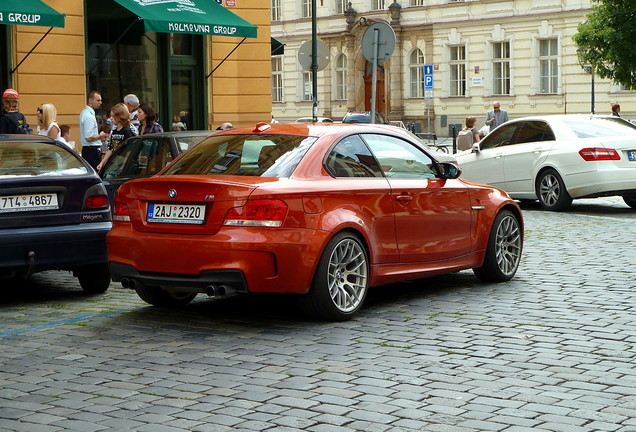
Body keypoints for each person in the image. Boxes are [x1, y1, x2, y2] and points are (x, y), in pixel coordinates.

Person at [97, 103, 136, 171]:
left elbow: (129, 149)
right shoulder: (114, 131)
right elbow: (111, 149)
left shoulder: (126, 131)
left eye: (113, 116)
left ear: (119, 116)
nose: (111, 118)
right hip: (115, 161)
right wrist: (102, 163)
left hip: (123, 162)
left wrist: (125, 164)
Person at [79, 91, 109, 170]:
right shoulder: (88, 116)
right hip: (91, 150)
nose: (100, 103)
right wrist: (100, 135)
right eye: (98, 100)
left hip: (90, 149)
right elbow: (88, 138)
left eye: (101, 100)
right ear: (90, 101)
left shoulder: (86, 113)